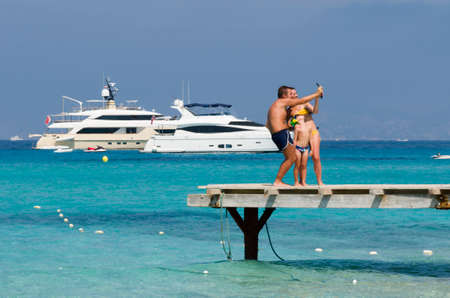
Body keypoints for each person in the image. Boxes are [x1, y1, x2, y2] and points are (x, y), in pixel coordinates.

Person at [266, 85, 323, 186]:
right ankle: (278, 181)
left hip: (277, 134)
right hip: (282, 133)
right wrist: (317, 94)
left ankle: (282, 181)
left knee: (293, 157)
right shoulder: (283, 102)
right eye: (290, 94)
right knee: (292, 158)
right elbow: (302, 100)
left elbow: (267, 124)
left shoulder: (275, 105)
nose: (292, 96)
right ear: (284, 96)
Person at [287, 88, 319, 186]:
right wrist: (294, 122)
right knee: (297, 164)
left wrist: (317, 98)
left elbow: (315, 111)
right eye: (292, 94)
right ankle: (297, 182)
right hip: (298, 141)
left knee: (305, 164)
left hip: (308, 139)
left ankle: (303, 181)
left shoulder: (304, 103)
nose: (295, 95)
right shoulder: (289, 109)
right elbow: (288, 124)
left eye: (295, 93)